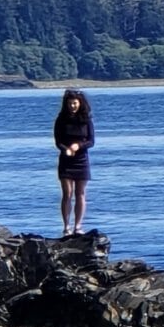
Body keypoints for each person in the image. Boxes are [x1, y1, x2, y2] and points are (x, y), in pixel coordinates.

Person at [53, 87, 94, 235]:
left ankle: (78, 226)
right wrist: (66, 149)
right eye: (70, 103)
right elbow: (58, 142)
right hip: (66, 160)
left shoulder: (86, 119)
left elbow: (91, 141)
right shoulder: (61, 119)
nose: (72, 106)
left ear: (80, 103)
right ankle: (66, 227)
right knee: (67, 193)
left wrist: (79, 145)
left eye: (75, 103)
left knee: (80, 193)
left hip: (82, 160)